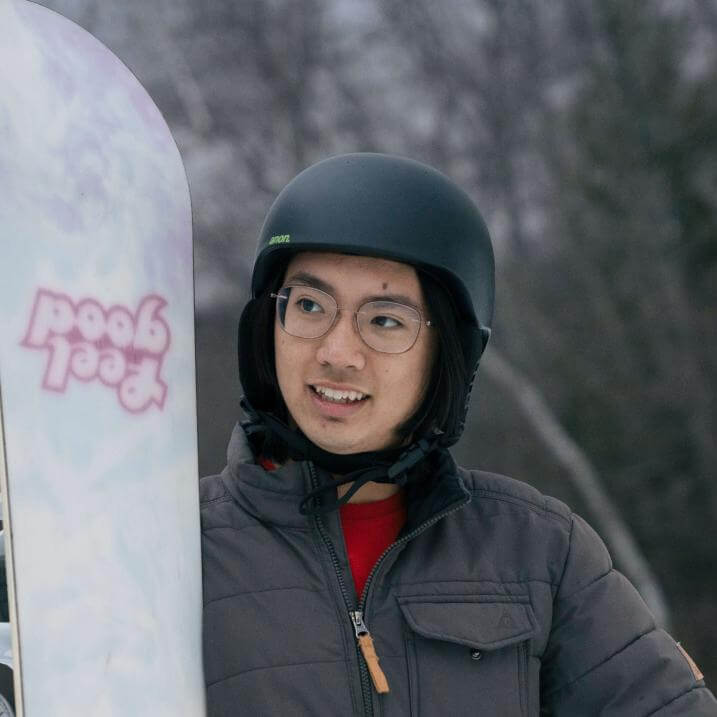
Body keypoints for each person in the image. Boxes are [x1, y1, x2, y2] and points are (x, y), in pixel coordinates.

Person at [201, 153, 717, 715]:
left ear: (446, 353)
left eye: (384, 320)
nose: (337, 353)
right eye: (308, 305)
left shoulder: (537, 553)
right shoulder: (174, 552)